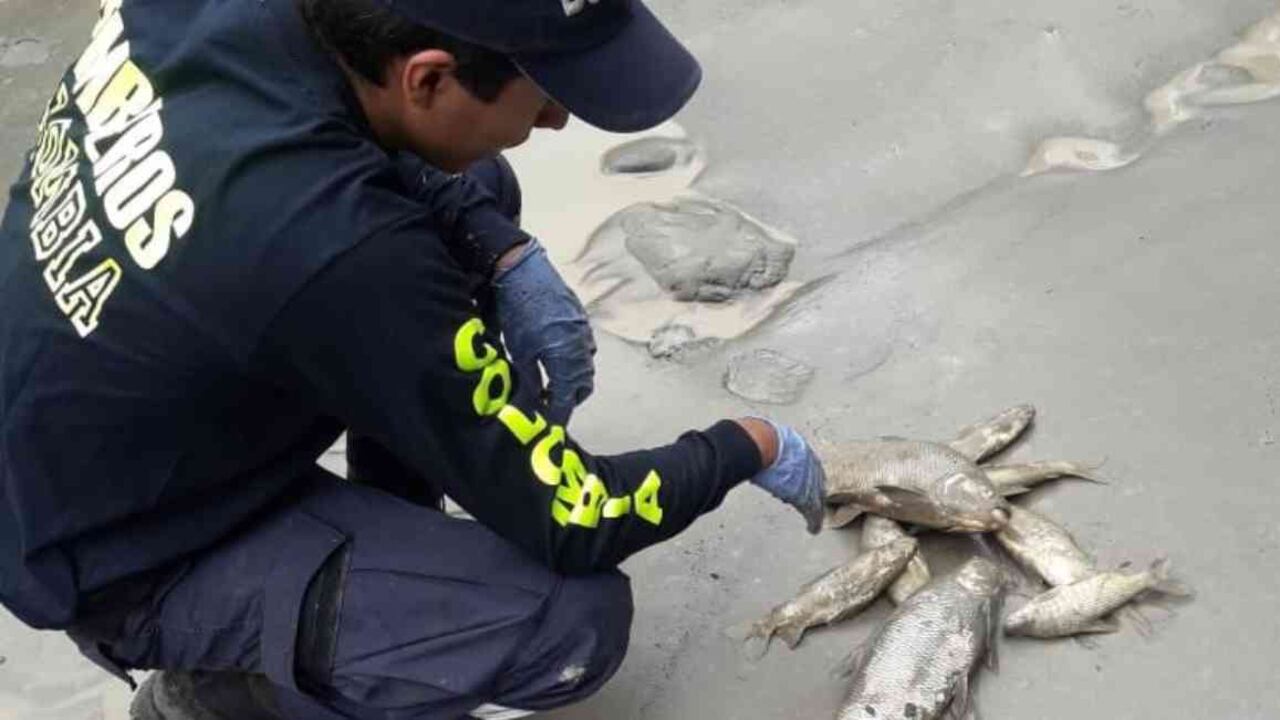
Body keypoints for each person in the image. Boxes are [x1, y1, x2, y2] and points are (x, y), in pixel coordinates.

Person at [0, 0, 829, 717]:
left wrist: (504, 252)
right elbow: (578, 520)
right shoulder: (342, 251)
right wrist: (746, 446)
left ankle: (389, 533)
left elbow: (402, 188)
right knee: (566, 622)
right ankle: (224, 699)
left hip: (80, 393)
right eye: (546, 91)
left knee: (477, 194)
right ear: (427, 77)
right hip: (121, 551)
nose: (557, 121)